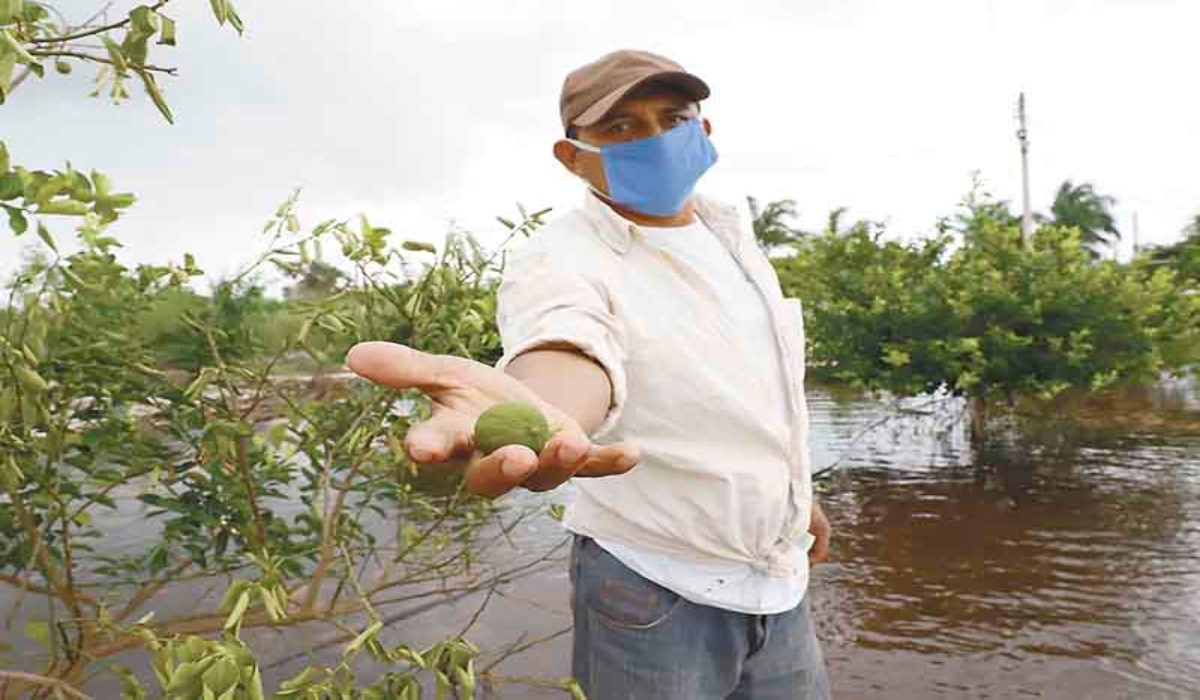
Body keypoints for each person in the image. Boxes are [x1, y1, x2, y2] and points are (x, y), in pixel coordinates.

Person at [347, 48, 832, 699]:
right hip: (653, 586)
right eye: (623, 128)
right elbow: (567, 349)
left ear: (704, 130)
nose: (656, 139)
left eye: (673, 117)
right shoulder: (559, 257)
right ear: (572, 156)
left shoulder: (732, 237)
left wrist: (796, 501)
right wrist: (545, 413)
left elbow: (749, 394)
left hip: (778, 576)